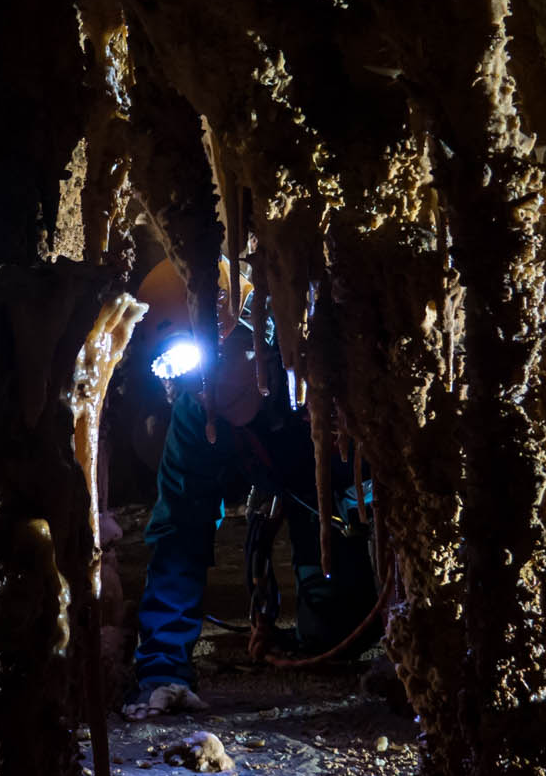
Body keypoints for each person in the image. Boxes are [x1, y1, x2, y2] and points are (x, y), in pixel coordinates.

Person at [124, 288, 381, 718]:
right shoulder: (199, 422)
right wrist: (162, 670)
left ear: (260, 333)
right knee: (331, 632)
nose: (212, 388)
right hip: (308, 499)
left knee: (359, 624)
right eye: (192, 376)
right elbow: (179, 538)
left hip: (352, 485)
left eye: (225, 358)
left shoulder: (325, 364)